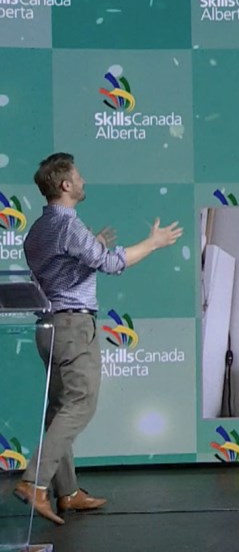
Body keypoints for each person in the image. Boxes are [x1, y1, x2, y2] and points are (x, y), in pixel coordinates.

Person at [14, 153, 183, 524]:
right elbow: (112, 264)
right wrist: (153, 243)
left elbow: (63, 266)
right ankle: (34, 482)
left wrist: (92, 246)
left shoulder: (40, 230)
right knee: (81, 404)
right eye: (78, 175)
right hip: (74, 328)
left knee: (60, 409)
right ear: (65, 185)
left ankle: (68, 492)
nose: (83, 180)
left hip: (49, 328)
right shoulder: (68, 226)